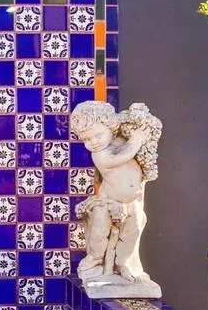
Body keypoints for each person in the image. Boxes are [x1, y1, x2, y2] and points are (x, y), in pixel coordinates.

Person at [68, 100, 162, 295]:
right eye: (86, 139)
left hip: (131, 204)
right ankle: (95, 258)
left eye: (97, 135)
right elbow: (121, 157)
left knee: (132, 232)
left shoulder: (119, 141)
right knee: (99, 232)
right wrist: (136, 140)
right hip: (107, 201)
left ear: (111, 126)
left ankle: (123, 263)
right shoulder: (101, 155)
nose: (93, 142)